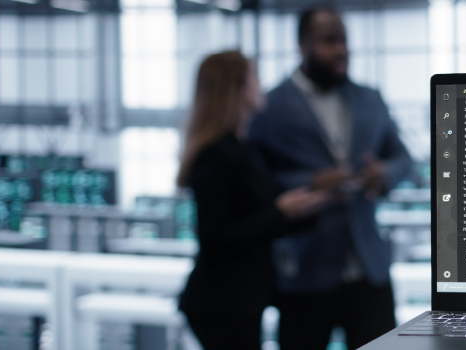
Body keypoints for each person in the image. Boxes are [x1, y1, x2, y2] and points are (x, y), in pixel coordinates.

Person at [248, 6, 413, 350]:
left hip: (369, 269)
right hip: (305, 270)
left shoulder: (369, 98)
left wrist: (382, 175)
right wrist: (310, 183)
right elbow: (255, 182)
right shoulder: (270, 105)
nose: (341, 50)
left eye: (344, 40)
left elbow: (402, 158)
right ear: (302, 44)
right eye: (329, 41)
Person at [176, 50, 329, 350]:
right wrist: (281, 214)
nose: (260, 84)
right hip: (222, 304)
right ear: (235, 88)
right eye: (253, 77)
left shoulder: (241, 148)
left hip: (239, 300)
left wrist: (306, 206)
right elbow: (214, 239)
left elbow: (262, 213)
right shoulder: (217, 155)